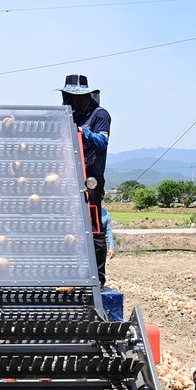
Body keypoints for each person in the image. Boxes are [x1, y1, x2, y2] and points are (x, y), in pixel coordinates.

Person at [58, 75, 110, 282]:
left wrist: (81, 132)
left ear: (82, 97)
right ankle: (71, 273)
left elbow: (101, 142)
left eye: (71, 96)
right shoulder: (70, 116)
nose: (68, 100)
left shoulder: (100, 115)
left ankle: (98, 278)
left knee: (94, 227)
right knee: (68, 227)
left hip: (91, 179)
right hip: (70, 178)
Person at [97, 206, 115, 286]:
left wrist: (111, 247)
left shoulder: (106, 213)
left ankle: (100, 283)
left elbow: (108, 231)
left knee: (100, 265)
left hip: (99, 239)